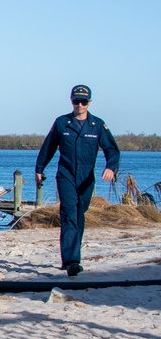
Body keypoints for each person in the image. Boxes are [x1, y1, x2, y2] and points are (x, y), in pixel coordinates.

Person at [35, 84, 120, 276]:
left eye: (83, 102)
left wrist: (110, 167)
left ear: (89, 102)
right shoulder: (61, 123)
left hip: (86, 177)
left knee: (80, 214)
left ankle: (71, 254)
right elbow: (48, 148)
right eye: (76, 101)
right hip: (65, 174)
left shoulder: (97, 125)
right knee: (69, 213)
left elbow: (112, 150)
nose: (79, 105)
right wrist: (39, 169)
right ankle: (72, 260)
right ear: (71, 101)